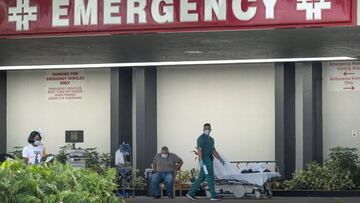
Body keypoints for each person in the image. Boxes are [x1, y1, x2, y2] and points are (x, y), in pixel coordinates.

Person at [186, 123, 225, 201]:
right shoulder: (201, 138)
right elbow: (199, 150)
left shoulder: (211, 139)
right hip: (205, 160)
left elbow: (213, 150)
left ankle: (190, 193)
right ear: (203, 129)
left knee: (201, 178)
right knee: (210, 177)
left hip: (209, 159)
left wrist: (220, 159)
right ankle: (213, 196)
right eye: (205, 128)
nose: (207, 130)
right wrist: (201, 161)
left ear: (210, 130)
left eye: (208, 128)